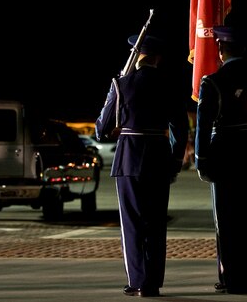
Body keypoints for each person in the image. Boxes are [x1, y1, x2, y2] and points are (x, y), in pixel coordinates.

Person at [95, 33, 189, 298]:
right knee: (157, 224)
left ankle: (137, 280)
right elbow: (180, 128)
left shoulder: (121, 84)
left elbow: (102, 129)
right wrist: (174, 160)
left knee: (133, 223)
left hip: (128, 159)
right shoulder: (169, 85)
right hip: (159, 157)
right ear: (157, 58)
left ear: (136, 56)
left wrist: (113, 94)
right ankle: (154, 282)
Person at [194, 25, 247, 295]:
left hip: (225, 152)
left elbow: (203, 126)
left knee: (226, 221)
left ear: (219, 49)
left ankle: (231, 278)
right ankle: (246, 277)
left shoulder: (212, 82)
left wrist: (201, 160)